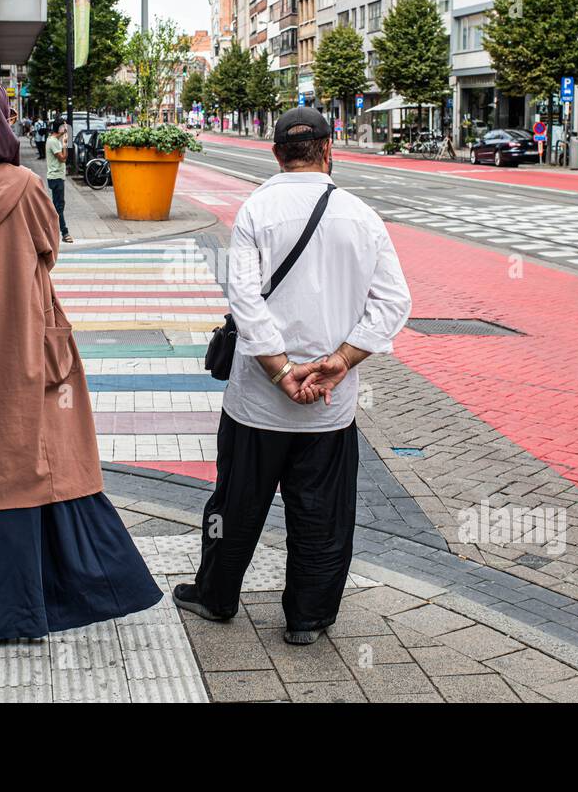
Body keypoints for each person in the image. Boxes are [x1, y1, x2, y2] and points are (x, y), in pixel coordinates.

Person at [0, 80, 160, 645]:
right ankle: (38, 598)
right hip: (21, 331)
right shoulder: (23, 186)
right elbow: (48, 247)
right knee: (32, 446)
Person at [173, 107, 412, 645]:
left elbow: (245, 301)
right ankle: (308, 618)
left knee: (234, 506)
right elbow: (394, 302)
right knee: (322, 516)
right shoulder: (362, 216)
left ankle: (216, 596)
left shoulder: (257, 209)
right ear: (330, 150)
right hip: (331, 403)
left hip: (257, 401)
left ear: (277, 154)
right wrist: (341, 361)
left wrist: (281, 371)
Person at [44, 117, 73, 243]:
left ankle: (48, 231)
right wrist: (65, 144)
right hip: (56, 178)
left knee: (57, 206)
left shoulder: (54, 140)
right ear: (59, 128)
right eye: (64, 127)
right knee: (59, 206)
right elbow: (63, 158)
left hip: (56, 177)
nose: (66, 129)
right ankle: (64, 233)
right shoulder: (53, 142)